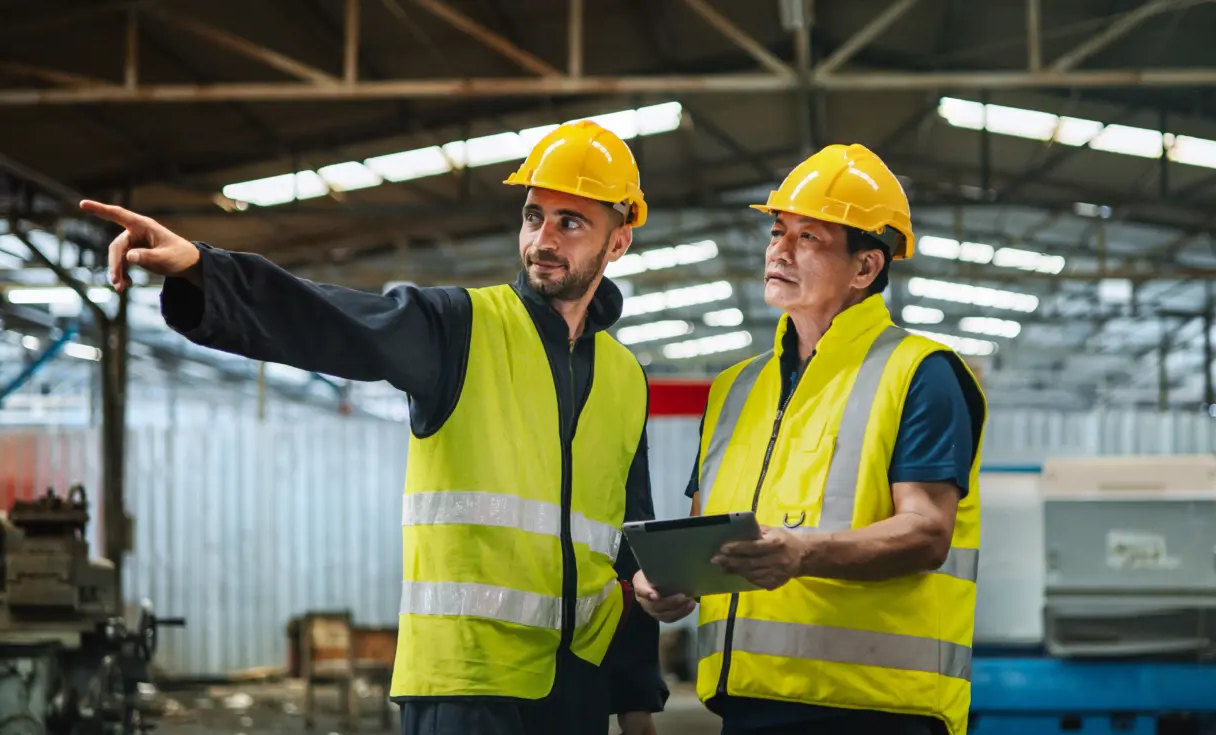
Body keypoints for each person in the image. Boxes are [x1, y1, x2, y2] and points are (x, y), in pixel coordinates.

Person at [80, 120, 668, 735]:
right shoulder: (459, 328)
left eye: (570, 222)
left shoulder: (626, 378)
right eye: (532, 216)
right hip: (465, 690)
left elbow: (629, 553)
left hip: (577, 691)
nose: (542, 238)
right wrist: (205, 270)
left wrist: (636, 705)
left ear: (618, 241)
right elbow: (336, 320)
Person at [631, 143, 987, 735]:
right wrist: (669, 582)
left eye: (809, 237)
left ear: (867, 267)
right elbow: (704, 530)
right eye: (777, 231)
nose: (779, 250)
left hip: (871, 708)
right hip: (745, 703)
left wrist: (805, 552)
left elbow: (926, 532)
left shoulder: (922, 373)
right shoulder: (734, 388)